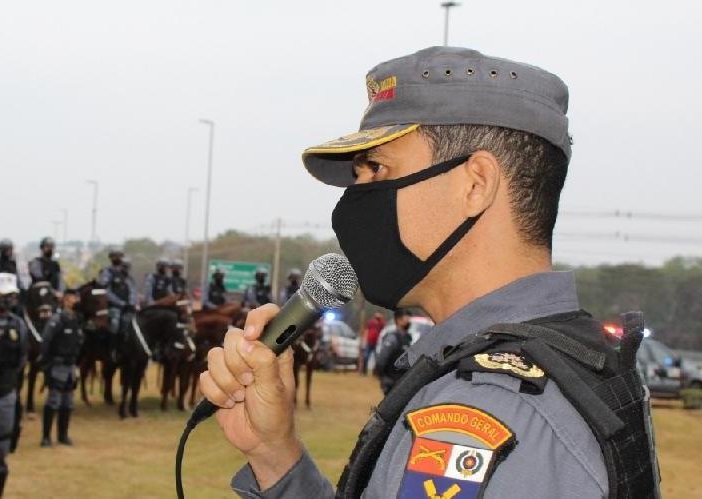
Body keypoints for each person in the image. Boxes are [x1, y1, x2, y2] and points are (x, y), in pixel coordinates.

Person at [199, 47, 660, 498]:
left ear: (475, 185)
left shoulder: (488, 409)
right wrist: (274, 454)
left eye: (376, 169)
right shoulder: (573, 358)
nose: (356, 202)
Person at [38, 288, 83, 447]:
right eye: (72, 298)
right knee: (53, 401)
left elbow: (78, 343)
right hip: (57, 365)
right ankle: (46, 437)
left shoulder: (75, 319)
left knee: (68, 403)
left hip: (70, 365)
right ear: (64, 300)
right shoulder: (57, 320)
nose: (75, 301)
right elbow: (46, 341)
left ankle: (63, 435)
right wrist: (45, 363)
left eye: (76, 298)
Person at [0, 273, 28, 497]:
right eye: (6, 296)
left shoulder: (18, 325)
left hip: (5, 393)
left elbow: (21, 359)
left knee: (1, 452)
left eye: (12, 296)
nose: (10, 300)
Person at [98, 249, 137, 361]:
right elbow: (105, 290)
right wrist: (120, 303)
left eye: (119, 256)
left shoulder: (126, 274)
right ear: (111, 258)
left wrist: (131, 303)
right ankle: (112, 350)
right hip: (112, 306)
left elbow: (132, 290)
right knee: (115, 324)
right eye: (115, 257)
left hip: (127, 307)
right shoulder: (108, 272)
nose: (117, 259)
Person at [374, 310, 412, 393]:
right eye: (406, 318)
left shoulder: (408, 338)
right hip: (391, 380)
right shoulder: (392, 338)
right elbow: (382, 358)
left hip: (402, 380)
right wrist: (382, 375)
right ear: (398, 320)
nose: (409, 321)